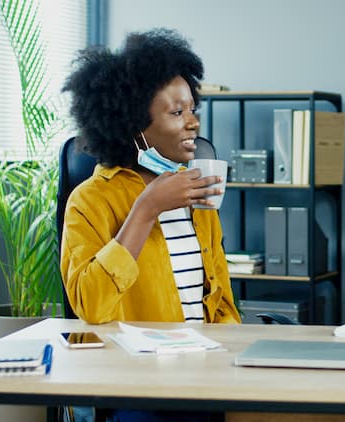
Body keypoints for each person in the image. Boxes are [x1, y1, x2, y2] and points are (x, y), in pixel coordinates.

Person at [61, 28, 238, 422]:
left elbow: (220, 297)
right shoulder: (91, 200)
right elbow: (90, 305)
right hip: (135, 383)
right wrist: (145, 210)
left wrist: (235, 357)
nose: (192, 123)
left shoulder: (197, 194)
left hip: (208, 376)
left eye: (193, 109)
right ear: (131, 125)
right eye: (176, 113)